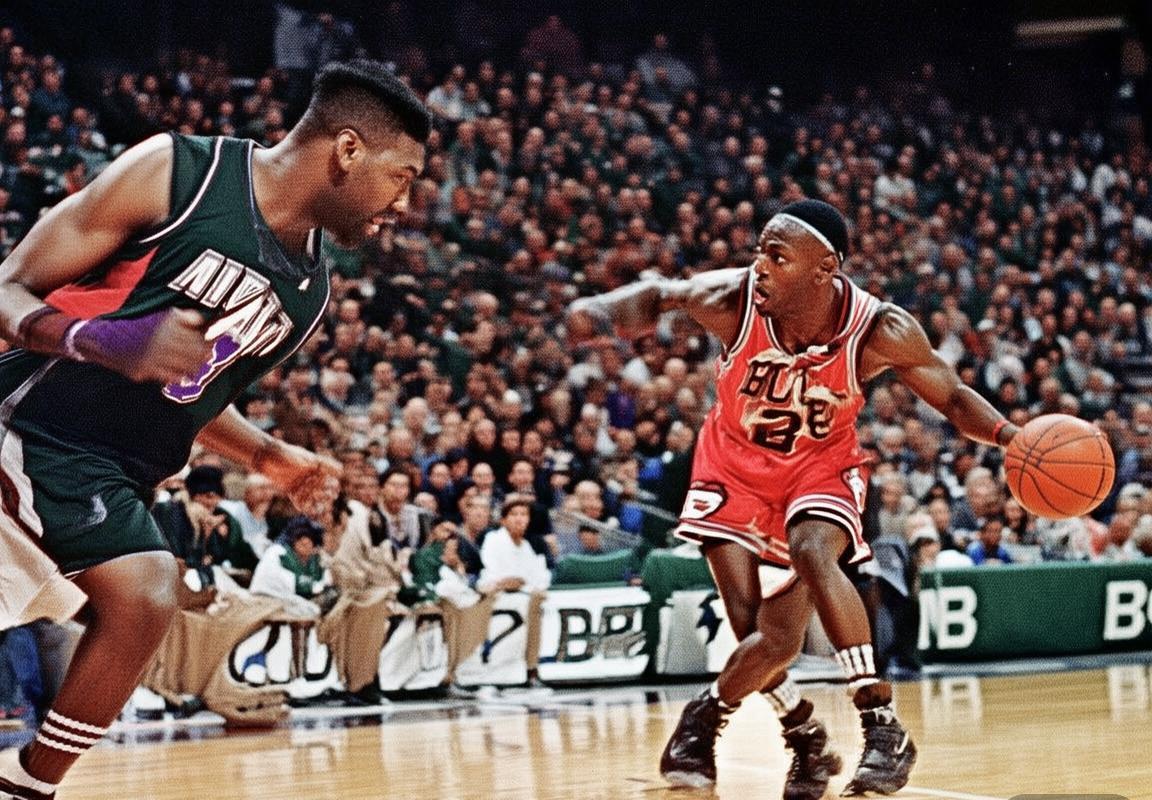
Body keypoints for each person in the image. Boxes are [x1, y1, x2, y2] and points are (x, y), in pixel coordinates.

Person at [0, 58, 429, 799]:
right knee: (146, 589)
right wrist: (98, 340)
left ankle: (27, 784)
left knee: (147, 595)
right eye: (402, 176)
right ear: (348, 149)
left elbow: (191, 394)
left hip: (105, 474)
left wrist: (269, 455)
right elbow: (8, 287)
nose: (405, 202)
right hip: (25, 425)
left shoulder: (308, 292)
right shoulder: (179, 174)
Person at [569, 199, 1019, 799]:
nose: (760, 265)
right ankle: (803, 737)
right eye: (760, 251)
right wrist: (601, 310)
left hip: (818, 466)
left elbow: (954, 396)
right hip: (733, 465)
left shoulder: (879, 329)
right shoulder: (734, 299)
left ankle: (877, 722)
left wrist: (1011, 438)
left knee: (812, 551)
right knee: (763, 636)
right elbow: (659, 295)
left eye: (777, 257)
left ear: (825, 269)